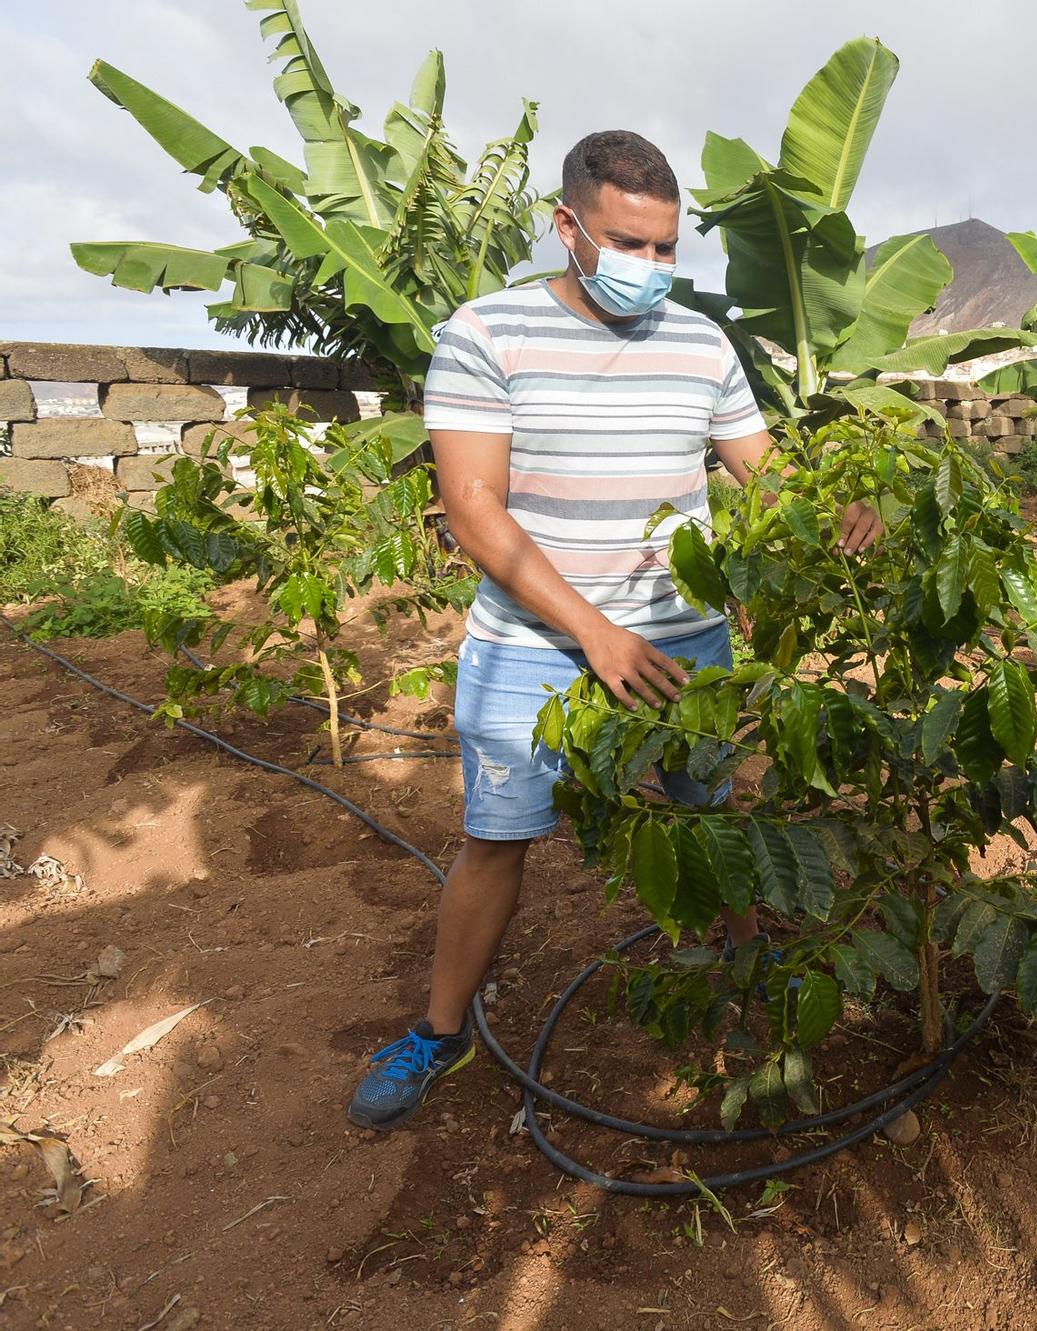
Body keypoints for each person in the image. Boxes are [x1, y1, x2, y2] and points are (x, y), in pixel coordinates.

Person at [347, 130, 882, 1130]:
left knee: (709, 809)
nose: (649, 268)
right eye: (626, 244)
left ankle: (745, 965)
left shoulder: (699, 343)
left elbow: (760, 467)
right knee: (495, 840)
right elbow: (473, 509)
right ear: (566, 228)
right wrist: (594, 632)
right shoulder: (484, 333)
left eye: (666, 248)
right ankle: (439, 1028)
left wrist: (834, 505)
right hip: (534, 645)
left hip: (684, 638)